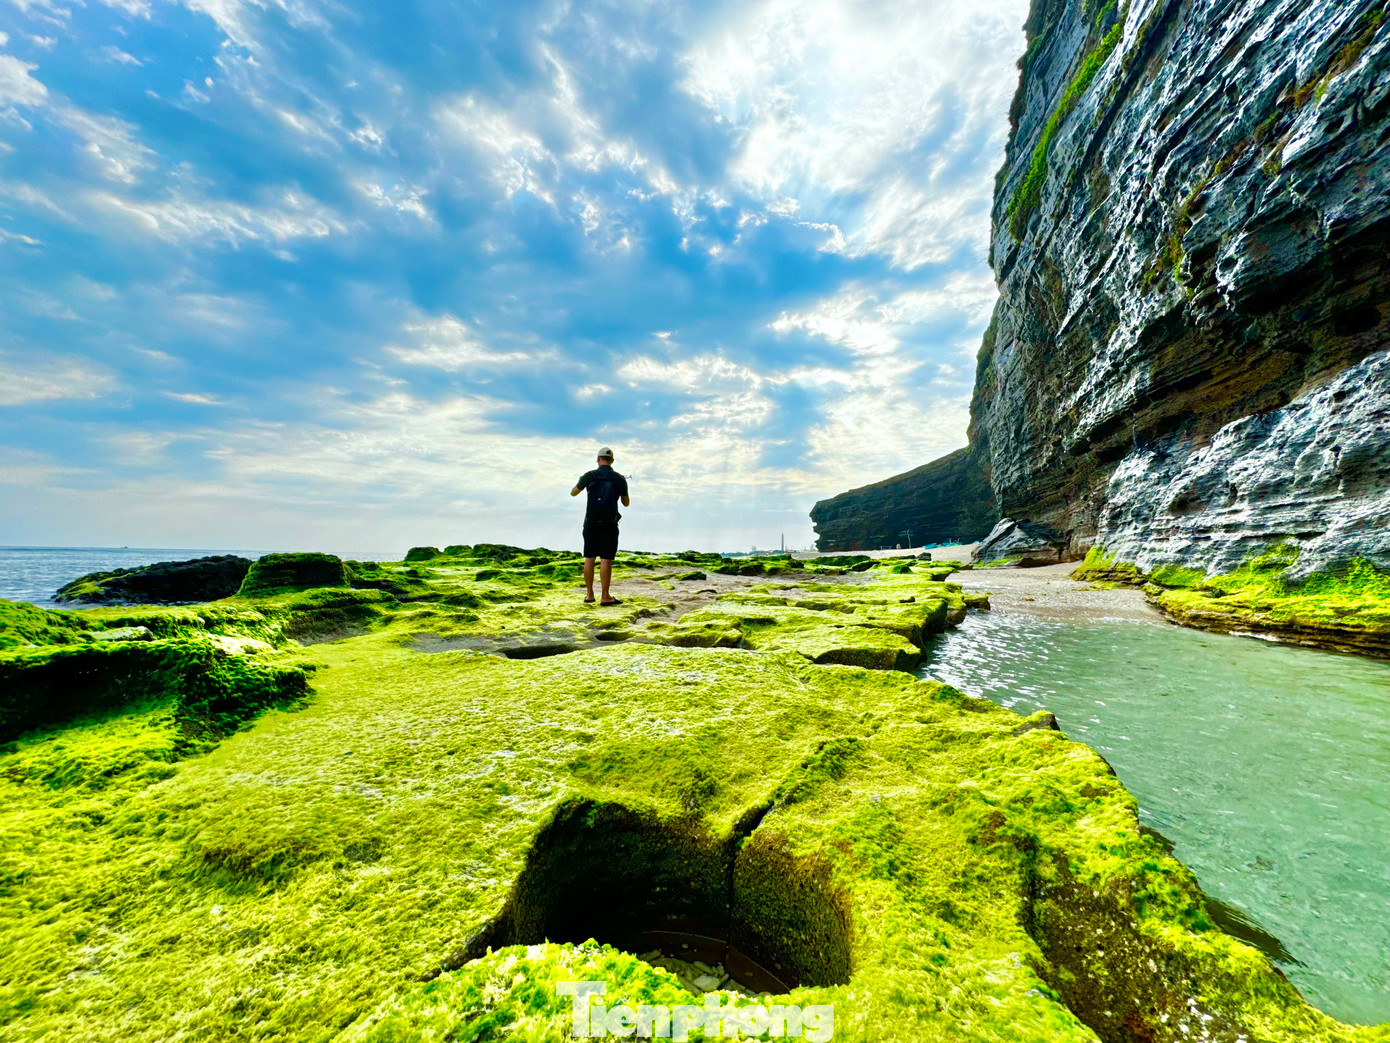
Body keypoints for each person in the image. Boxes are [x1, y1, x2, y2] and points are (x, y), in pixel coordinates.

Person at [570, 447, 630, 605]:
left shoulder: (589, 475)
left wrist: (583, 482)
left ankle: (589, 595)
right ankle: (605, 596)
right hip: (609, 524)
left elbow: (573, 493)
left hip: (591, 522)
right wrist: (621, 486)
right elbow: (626, 503)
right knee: (606, 559)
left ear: (598, 459)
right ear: (612, 461)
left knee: (589, 558)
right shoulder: (619, 479)